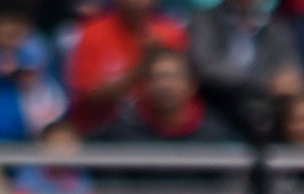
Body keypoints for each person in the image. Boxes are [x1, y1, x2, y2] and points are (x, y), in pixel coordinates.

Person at [189, 0, 302, 142]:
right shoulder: (204, 20)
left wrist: (287, 82)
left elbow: (288, 72)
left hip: (265, 114)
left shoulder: (275, 27)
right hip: (217, 110)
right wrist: (264, 83)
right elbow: (208, 68)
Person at [65, 0, 187, 134]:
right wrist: (141, 68)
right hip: (103, 131)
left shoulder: (172, 33)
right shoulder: (93, 32)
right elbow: (87, 98)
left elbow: (184, 92)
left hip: (157, 132)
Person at [0, 0, 67, 142]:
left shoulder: (34, 54)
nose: (13, 29)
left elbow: (58, 100)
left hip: (32, 141)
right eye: (6, 23)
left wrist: (35, 84)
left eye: (19, 23)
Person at [91, 45, 237, 144]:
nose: (165, 86)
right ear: (144, 86)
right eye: (157, 77)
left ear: (192, 86)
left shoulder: (216, 136)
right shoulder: (122, 133)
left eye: (173, 77)